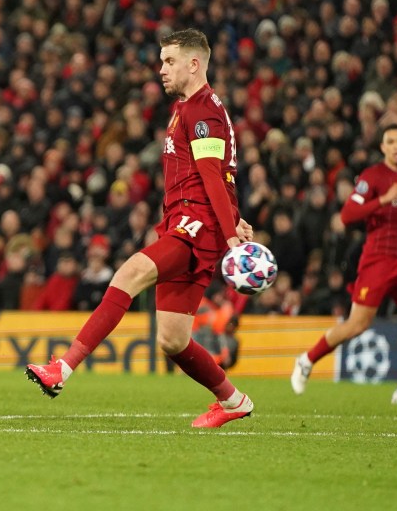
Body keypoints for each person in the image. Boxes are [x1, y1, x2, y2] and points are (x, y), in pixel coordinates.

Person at [25, 29, 256, 428]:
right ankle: (233, 400)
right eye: (162, 61)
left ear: (194, 64)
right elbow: (221, 173)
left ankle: (62, 368)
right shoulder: (194, 107)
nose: (161, 69)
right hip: (193, 222)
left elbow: (211, 177)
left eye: (169, 61)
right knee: (172, 339)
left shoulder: (201, 110)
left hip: (194, 224)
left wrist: (230, 234)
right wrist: (232, 218)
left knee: (128, 273)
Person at [291, 124, 397, 406]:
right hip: (379, 259)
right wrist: (383, 198)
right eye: (391, 141)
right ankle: (307, 360)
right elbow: (347, 215)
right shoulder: (373, 177)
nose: (396, 146)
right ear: (383, 148)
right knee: (358, 324)